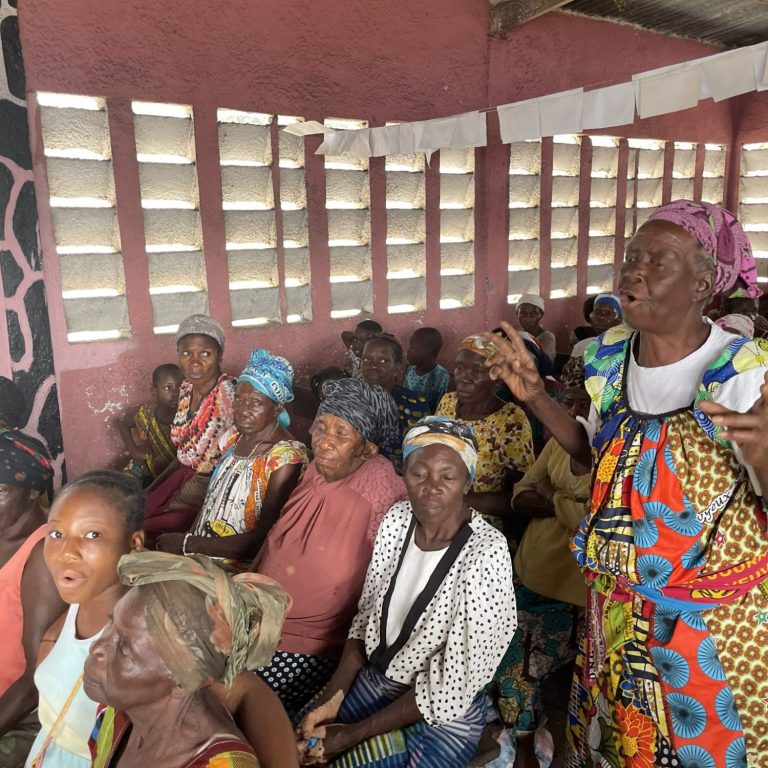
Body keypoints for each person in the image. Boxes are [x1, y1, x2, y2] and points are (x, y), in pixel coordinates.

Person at [484, 199, 768, 768]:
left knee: (703, 750)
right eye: (632, 257)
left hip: (707, 627)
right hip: (613, 613)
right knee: (615, 746)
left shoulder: (741, 372)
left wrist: (764, 456)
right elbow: (602, 457)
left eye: (658, 261)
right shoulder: (610, 357)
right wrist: (537, 398)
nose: (634, 271)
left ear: (703, 284)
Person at [296, 417, 516, 768]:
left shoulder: (486, 553)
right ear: (404, 475)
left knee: (346, 762)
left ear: (467, 483)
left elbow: (454, 684)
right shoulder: (398, 519)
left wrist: (353, 734)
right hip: (376, 682)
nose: (431, 487)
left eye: (448, 476)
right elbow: (367, 616)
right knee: (300, 743)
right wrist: (333, 697)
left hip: (439, 712)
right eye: (419, 473)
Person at [254, 377, 407, 718]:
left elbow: (388, 581)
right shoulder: (317, 468)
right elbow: (277, 535)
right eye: (320, 428)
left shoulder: (384, 491)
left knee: (242, 702)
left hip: (307, 643)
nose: (324, 442)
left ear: (367, 448)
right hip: (259, 616)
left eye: (341, 433)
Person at [84, 552, 294, 768]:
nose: (96, 647)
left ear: (183, 680)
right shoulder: (114, 713)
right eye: (110, 623)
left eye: (124, 647)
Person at [491, 356, 590, 768]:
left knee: (524, 664)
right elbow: (521, 494)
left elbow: (597, 521)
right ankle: (516, 737)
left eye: (585, 403)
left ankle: (534, 743)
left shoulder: (617, 455)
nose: (575, 413)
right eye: (569, 402)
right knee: (495, 647)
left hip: (577, 594)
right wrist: (567, 505)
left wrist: (551, 497)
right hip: (529, 574)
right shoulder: (557, 445)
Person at [25, 470, 144, 768]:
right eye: (57, 534)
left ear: (134, 544)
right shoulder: (77, 608)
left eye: (92, 535)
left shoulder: (146, 635)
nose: (67, 552)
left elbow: (243, 691)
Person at [156, 349, 308, 569]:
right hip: (200, 553)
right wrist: (188, 540)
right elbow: (211, 502)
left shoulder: (285, 458)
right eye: (239, 399)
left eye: (256, 403)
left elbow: (261, 541)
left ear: (277, 408)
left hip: (235, 568)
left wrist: (187, 544)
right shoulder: (234, 438)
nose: (243, 410)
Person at [143, 314, 236, 546]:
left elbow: (235, 462)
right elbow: (184, 452)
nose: (195, 362)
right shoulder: (185, 388)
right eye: (186, 353)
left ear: (220, 355)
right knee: (134, 512)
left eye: (205, 354)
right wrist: (152, 488)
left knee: (143, 531)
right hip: (181, 475)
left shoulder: (229, 394)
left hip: (211, 486)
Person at [0, 432, 63, 768]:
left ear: (33, 491)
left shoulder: (43, 555)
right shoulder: (4, 529)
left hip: (20, 711)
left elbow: (37, 677)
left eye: (0, 491)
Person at [436, 335, 534, 528]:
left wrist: (457, 500)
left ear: (498, 379)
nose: (464, 378)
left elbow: (519, 496)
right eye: (460, 368)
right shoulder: (448, 402)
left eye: (476, 371)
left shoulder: (510, 420)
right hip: (439, 510)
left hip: (480, 525)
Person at [360, 334, 430, 468]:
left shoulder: (414, 403)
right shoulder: (350, 401)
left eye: (383, 361)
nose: (373, 366)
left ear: (397, 367)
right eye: (366, 359)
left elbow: (422, 452)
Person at [119, 363, 183, 488]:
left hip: (181, 471)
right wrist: (134, 451)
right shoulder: (147, 414)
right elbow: (124, 424)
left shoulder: (190, 416)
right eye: (167, 388)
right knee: (123, 484)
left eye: (180, 387)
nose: (176, 393)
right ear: (154, 391)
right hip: (154, 466)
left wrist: (153, 486)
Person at [404, 327, 451, 412]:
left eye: (412, 347)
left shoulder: (442, 377)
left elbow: (441, 409)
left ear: (428, 350)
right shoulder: (409, 370)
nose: (407, 351)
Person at [570, 293, 623, 357]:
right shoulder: (581, 347)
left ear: (620, 319)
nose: (601, 318)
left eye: (607, 314)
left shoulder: (627, 347)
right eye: (597, 313)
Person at [515, 294, 557, 364]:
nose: (528, 318)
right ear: (517, 314)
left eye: (533, 314)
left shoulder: (547, 337)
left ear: (541, 315)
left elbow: (544, 363)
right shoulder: (517, 334)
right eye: (523, 314)